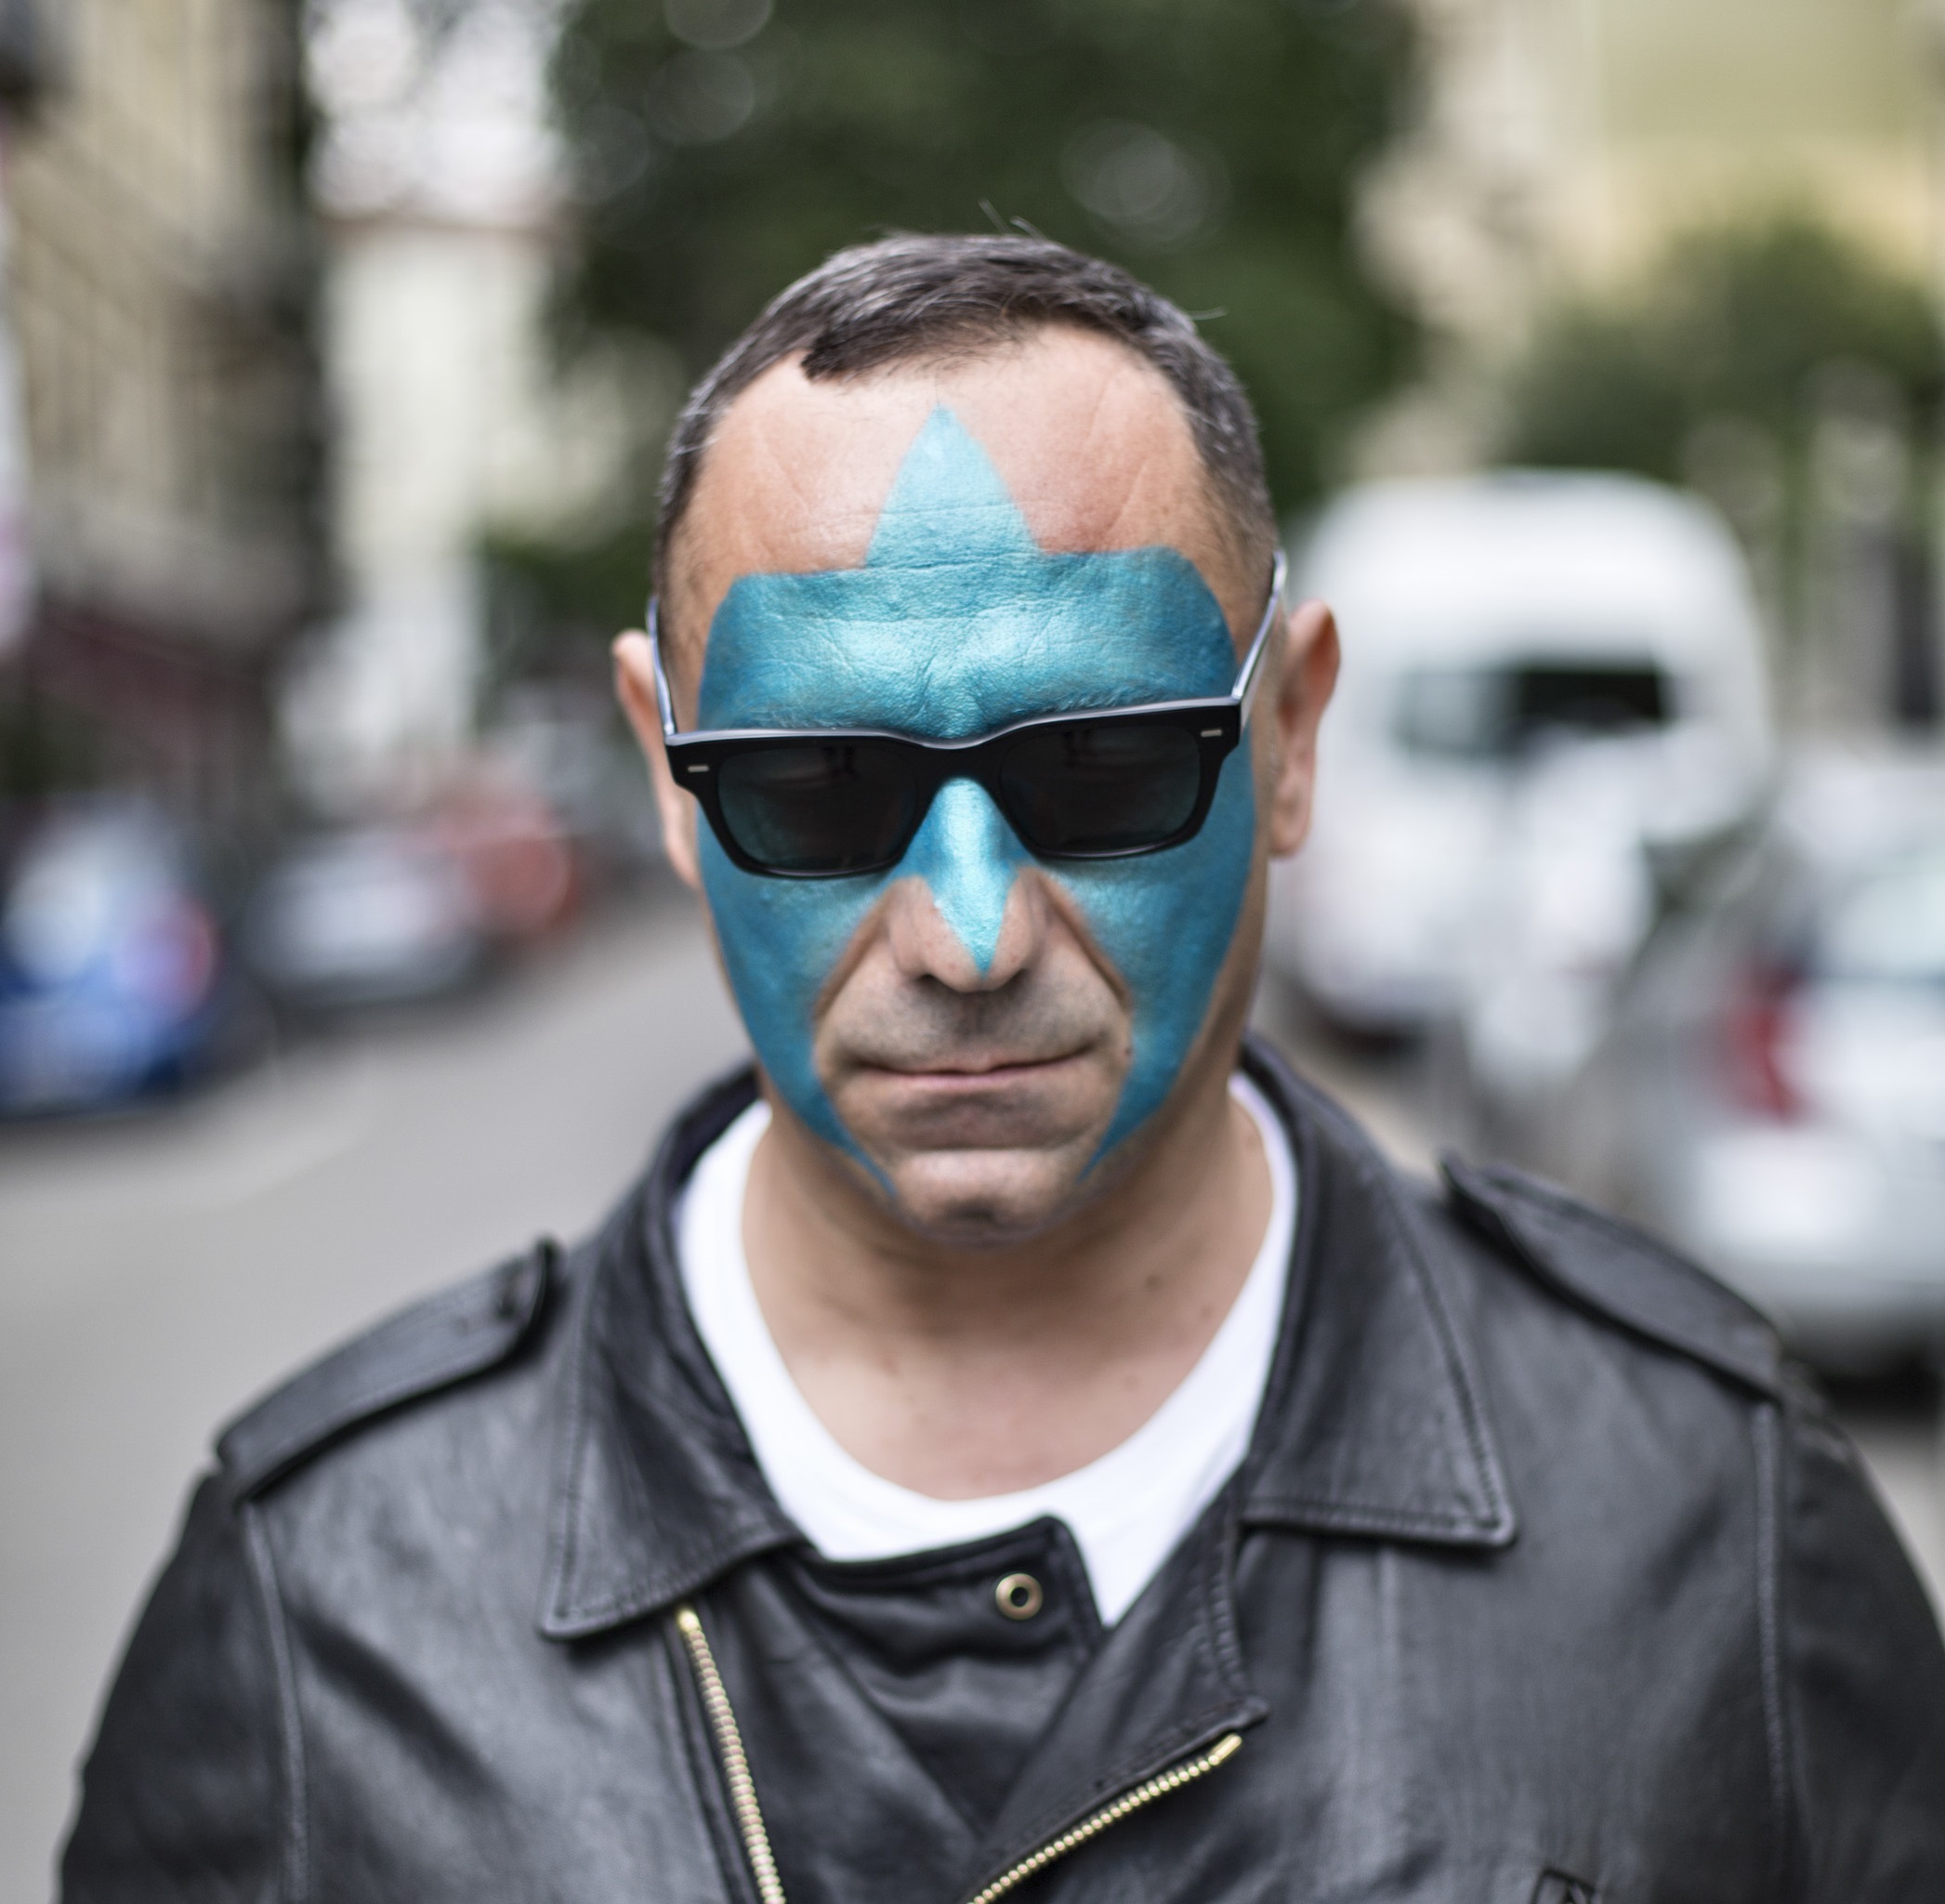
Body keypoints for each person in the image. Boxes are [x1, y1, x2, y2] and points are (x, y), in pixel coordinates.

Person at [63, 235, 1945, 1904]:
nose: (968, 935)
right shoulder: (324, 1593)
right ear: (667, 774)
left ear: (1292, 734)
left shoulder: (1704, 1513)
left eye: (1102, 768)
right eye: (818, 787)